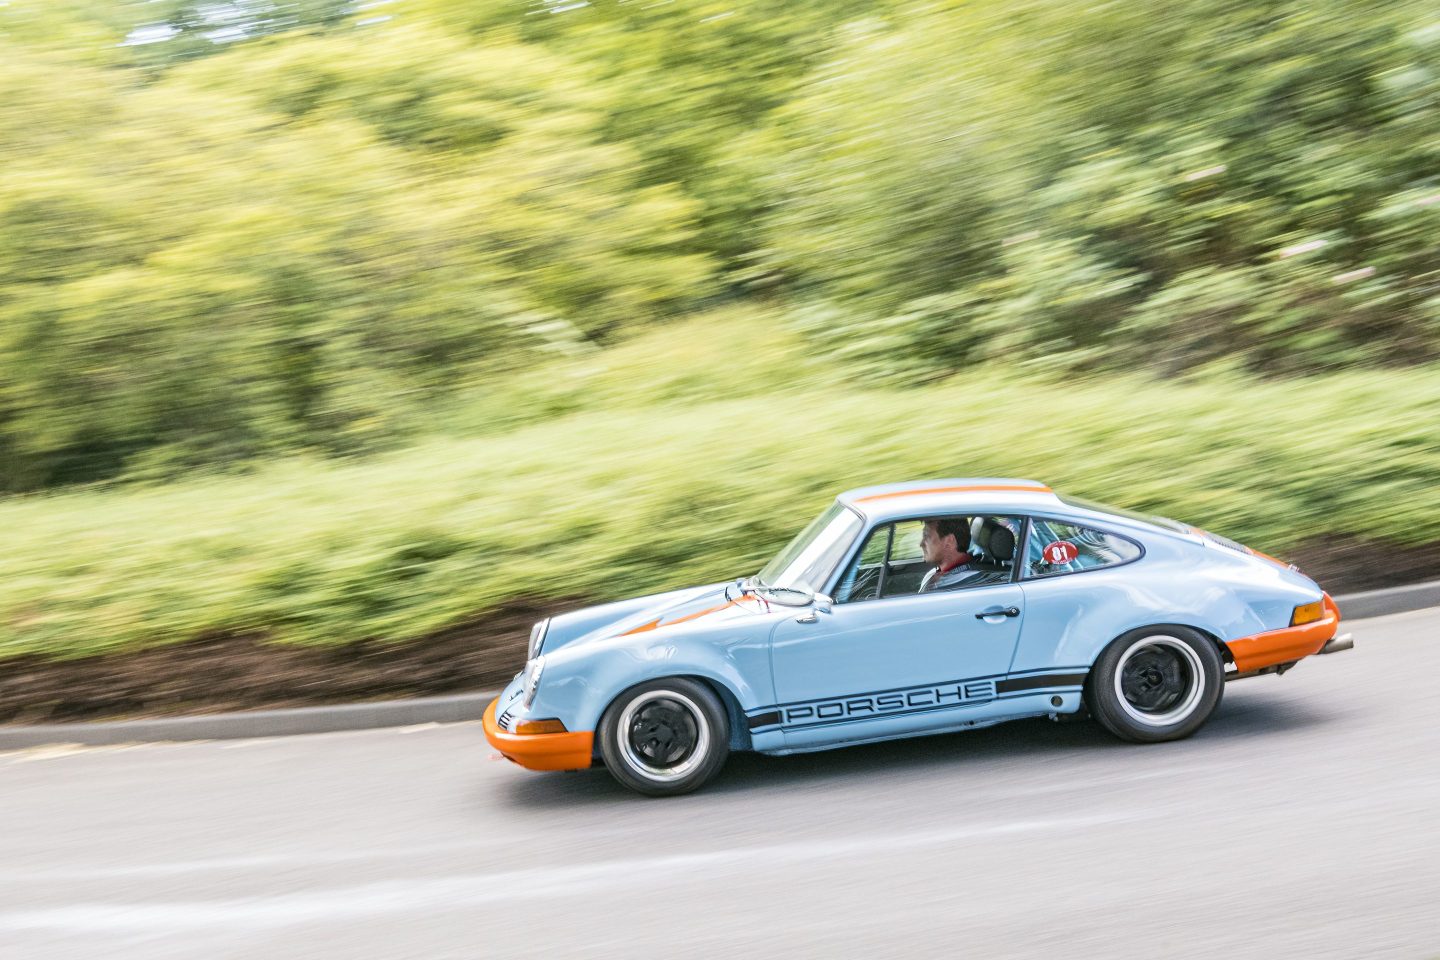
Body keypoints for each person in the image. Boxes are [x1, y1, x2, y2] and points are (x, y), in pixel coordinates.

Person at [918, 517, 981, 592]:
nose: (921, 544)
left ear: (949, 542)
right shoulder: (935, 573)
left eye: (926, 536)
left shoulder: (966, 583)